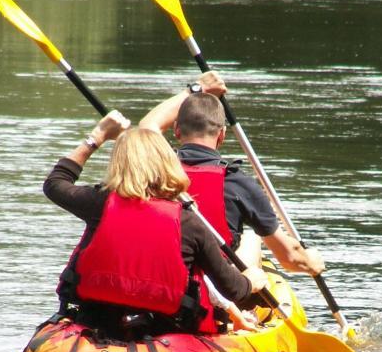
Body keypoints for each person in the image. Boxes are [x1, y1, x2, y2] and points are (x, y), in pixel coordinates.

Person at [43, 110, 268, 340]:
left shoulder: (98, 203)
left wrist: (97, 136)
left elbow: (55, 184)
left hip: (95, 322)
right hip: (163, 331)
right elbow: (232, 289)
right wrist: (251, 281)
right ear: (169, 164)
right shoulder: (189, 223)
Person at [139, 72, 326, 278]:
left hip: (162, 277)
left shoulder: (159, 166)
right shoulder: (239, 183)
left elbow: (148, 126)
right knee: (252, 237)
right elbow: (289, 259)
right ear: (222, 135)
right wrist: (311, 261)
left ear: (176, 130)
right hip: (219, 290)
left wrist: (196, 88)